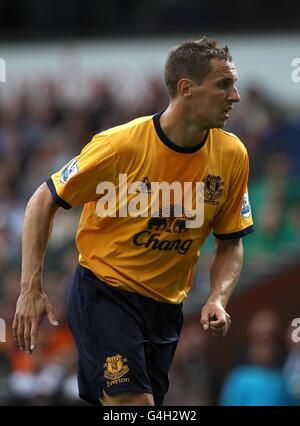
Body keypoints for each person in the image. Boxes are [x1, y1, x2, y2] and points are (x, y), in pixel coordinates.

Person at [13, 36, 254, 406]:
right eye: (224, 84)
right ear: (186, 89)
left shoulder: (232, 155)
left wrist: (218, 298)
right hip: (105, 293)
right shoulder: (119, 146)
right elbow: (42, 200)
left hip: (165, 308)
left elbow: (231, 240)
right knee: (135, 405)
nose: (235, 96)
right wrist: (30, 287)